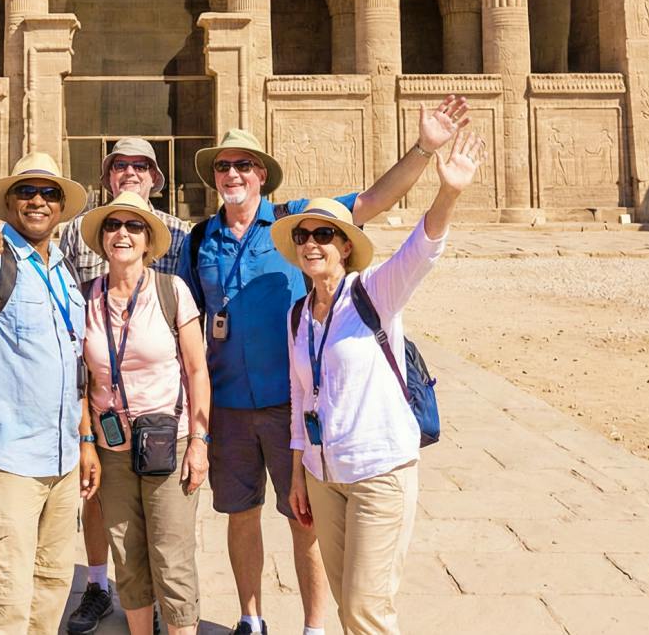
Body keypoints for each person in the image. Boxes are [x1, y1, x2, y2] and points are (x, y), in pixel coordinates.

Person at [181, 97, 471, 635]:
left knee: (304, 520)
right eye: (223, 166)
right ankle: (251, 618)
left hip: (295, 403)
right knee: (240, 514)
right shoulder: (201, 240)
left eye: (243, 164)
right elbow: (186, 321)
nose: (232, 173)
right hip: (230, 404)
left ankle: (315, 625)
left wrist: (424, 149)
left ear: (261, 175)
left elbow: (371, 201)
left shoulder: (298, 222)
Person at [283, 131, 485, 634]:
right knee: (350, 606)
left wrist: (449, 193)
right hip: (323, 476)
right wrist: (297, 474)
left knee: (366, 611)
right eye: (304, 236)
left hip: (379, 471)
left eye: (324, 235)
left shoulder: (374, 293)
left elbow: (422, 250)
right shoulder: (298, 315)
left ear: (347, 246)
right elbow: (299, 399)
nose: (312, 243)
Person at [0, 152, 93, 635]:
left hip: (60, 457)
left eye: (49, 193)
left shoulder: (63, 270)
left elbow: (73, 365)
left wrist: (85, 441)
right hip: (5, 455)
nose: (37, 201)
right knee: (3, 603)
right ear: (8, 204)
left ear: (60, 206)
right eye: (26, 193)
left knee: (50, 591)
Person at [55, 137, 192, 634]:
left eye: (141, 165)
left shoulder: (180, 236)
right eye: (120, 165)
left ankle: (160, 605)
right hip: (103, 409)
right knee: (107, 512)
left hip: (161, 412)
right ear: (106, 177)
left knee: (167, 537)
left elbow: (191, 344)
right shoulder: (76, 235)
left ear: (156, 177)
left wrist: (200, 432)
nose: (130, 172)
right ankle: (97, 585)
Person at [78, 191, 210, 635]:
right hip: (111, 447)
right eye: (113, 226)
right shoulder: (86, 298)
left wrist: (200, 441)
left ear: (149, 241)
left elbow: (197, 369)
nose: (122, 234)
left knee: (172, 558)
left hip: (165, 444)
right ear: (101, 239)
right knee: (128, 557)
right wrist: (86, 443)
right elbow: (80, 379)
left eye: (134, 226)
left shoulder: (171, 291)